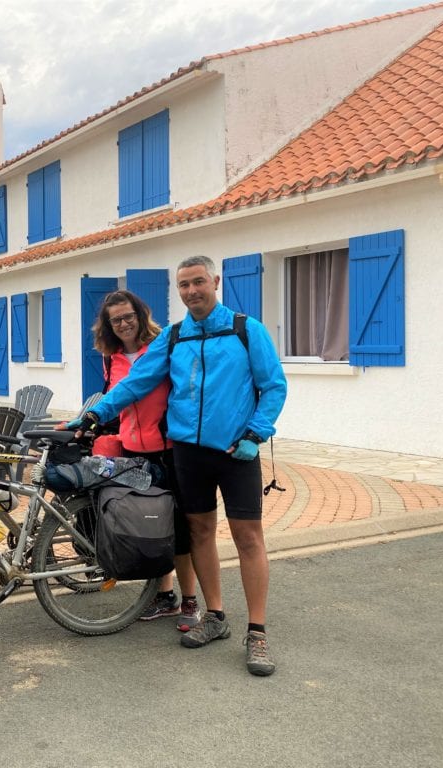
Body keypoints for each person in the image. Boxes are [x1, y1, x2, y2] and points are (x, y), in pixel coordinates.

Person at [69, 256, 287, 676]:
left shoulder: (245, 330)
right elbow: (134, 383)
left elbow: (273, 385)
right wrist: (93, 415)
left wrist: (255, 433)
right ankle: (215, 617)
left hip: (236, 451)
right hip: (188, 452)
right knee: (200, 532)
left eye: (198, 282)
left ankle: (256, 632)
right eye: (184, 285)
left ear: (215, 281)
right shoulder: (173, 338)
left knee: (248, 538)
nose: (192, 291)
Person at [89, 289, 200, 631]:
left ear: (140, 314)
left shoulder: (164, 347)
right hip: (133, 450)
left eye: (128, 317)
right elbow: (114, 399)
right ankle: (164, 595)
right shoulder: (112, 358)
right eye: (116, 320)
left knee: (180, 530)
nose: (123, 324)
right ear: (108, 325)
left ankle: (191, 600)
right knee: (151, 525)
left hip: (168, 450)